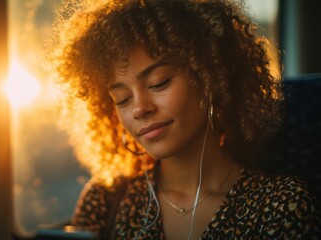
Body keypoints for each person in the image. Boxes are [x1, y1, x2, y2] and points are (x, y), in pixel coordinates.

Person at [49, 0, 321, 239]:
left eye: (159, 82)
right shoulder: (106, 199)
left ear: (210, 79)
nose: (139, 109)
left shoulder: (281, 206)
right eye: (122, 99)